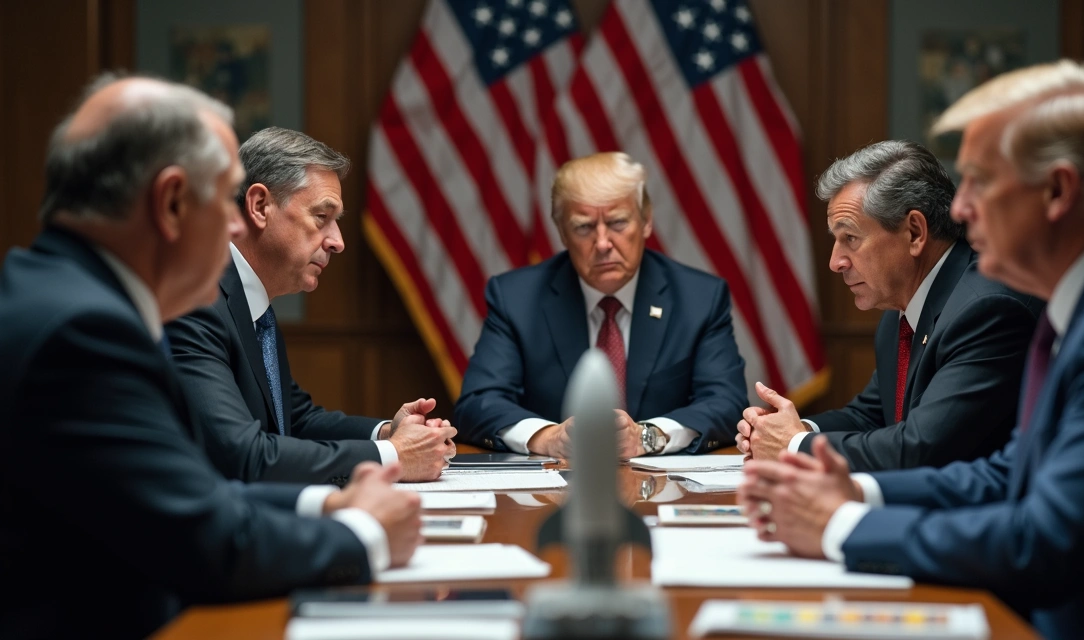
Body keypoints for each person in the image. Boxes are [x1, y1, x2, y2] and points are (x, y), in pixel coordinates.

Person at [739, 60, 1084, 639]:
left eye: (979, 181)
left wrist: (841, 526)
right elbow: (1010, 471)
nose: (959, 208)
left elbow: (1046, 540)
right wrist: (859, 489)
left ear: (1058, 190)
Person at [0, 75, 423, 639]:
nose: (233, 227)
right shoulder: (86, 333)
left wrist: (321, 506)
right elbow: (202, 541)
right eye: (224, 199)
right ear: (172, 202)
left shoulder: (55, 292)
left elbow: (184, 491)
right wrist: (362, 534)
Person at [165, 127, 456, 484]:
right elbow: (240, 454)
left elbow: (295, 420)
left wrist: (387, 433)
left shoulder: (253, 305)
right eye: (322, 217)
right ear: (259, 206)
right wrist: (393, 456)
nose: (338, 242)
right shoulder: (196, 303)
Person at [736, 141, 1041, 471]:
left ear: (914, 233)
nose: (835, 262)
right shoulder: (903, 308)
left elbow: (921, 447)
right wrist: (786, 429)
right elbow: (872, 414)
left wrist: (795, 445)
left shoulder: (987, 309)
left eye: (850, 238)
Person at [453, 152, 748, 458]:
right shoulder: (516, 298)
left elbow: (726, 402)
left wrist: (647, 437)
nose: (603, 243)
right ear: (562, 232)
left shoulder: (698, 298)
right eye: (583, 227)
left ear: (646, 221)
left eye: (618, 222)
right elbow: (479, 402)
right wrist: (547, 437)